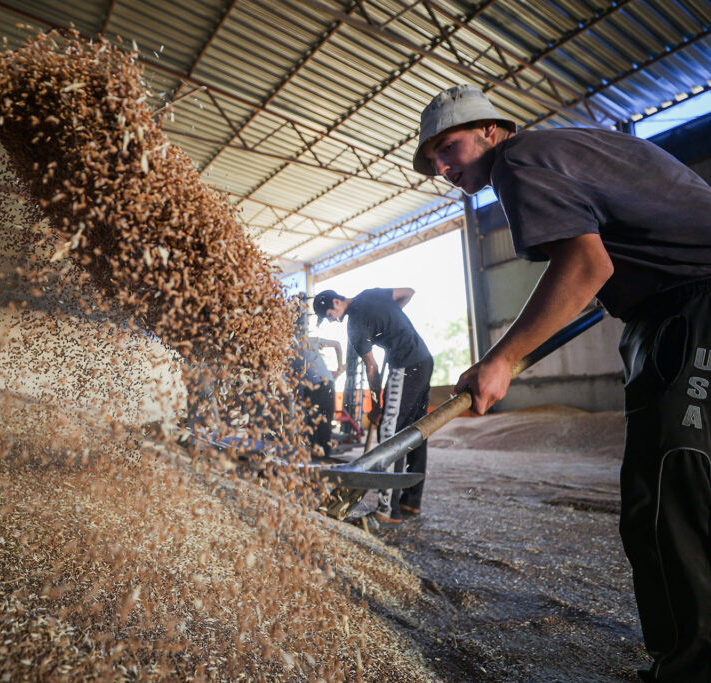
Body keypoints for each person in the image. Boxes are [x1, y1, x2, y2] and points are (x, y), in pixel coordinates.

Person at [414, 83, 711, 680]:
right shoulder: (559, 151)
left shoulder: (520, 161)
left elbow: (584, 263)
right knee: (652, 493)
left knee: (672, 482)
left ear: (493, 130)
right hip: (663, 307)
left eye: (448, 148)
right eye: (431, 162)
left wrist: (499, 360)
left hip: (696, 302)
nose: (442, 167)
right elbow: (610, 257)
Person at [313, 287, 433, 525]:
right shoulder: (372, 294)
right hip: (424, 359)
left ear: (336, 302)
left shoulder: (355, 326)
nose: (331, 320)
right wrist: (392, 323)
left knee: (389, 434)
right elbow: (407, 292)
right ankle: (411, 502)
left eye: (328, 314)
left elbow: (372, 368)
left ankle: (387, 510)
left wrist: (377, 403)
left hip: (404, 366)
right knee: (415, 431)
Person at [290, 317, 344, 459]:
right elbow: (337, 344)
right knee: (322, 422)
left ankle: (319, 459)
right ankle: (322, 457)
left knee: (313, 423)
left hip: (317, 387)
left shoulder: (289, 348)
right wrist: (340, 366)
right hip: (326, 384)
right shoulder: (311, 340)